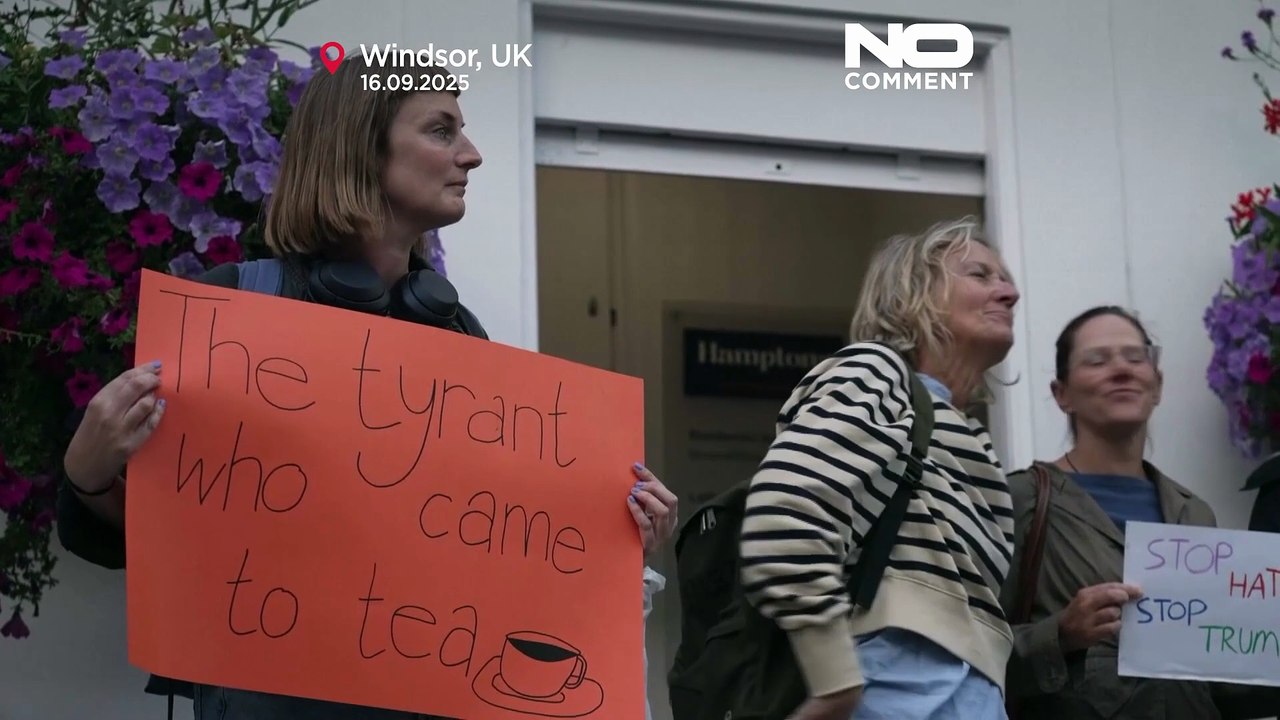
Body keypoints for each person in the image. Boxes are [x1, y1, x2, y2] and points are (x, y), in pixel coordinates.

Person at [56, 54, 678, 719]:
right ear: (361, 147)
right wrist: (87, 473)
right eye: (440, 130)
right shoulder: (232, 308)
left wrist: (613, 537)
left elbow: (497, 557)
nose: (471, 155)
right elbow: (147, 535)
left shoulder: (462, 338)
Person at [739, 216, 1020, 720]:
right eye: (980, 275)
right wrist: (835, 683)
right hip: (891, 691)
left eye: (1005, 279)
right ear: (913, 295)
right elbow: (786, 514)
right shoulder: (877, 373)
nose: (1010, 293)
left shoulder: (975, 438)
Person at [1000, 305, 1272, 720]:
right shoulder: (1022, 500)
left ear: (1157, 385)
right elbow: (970, 650)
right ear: (1062, 394)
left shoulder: (1194, 513)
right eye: (1097, 360)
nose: (1121, 370)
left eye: (1135, 357)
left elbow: (1220, 683)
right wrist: (1061, 634)